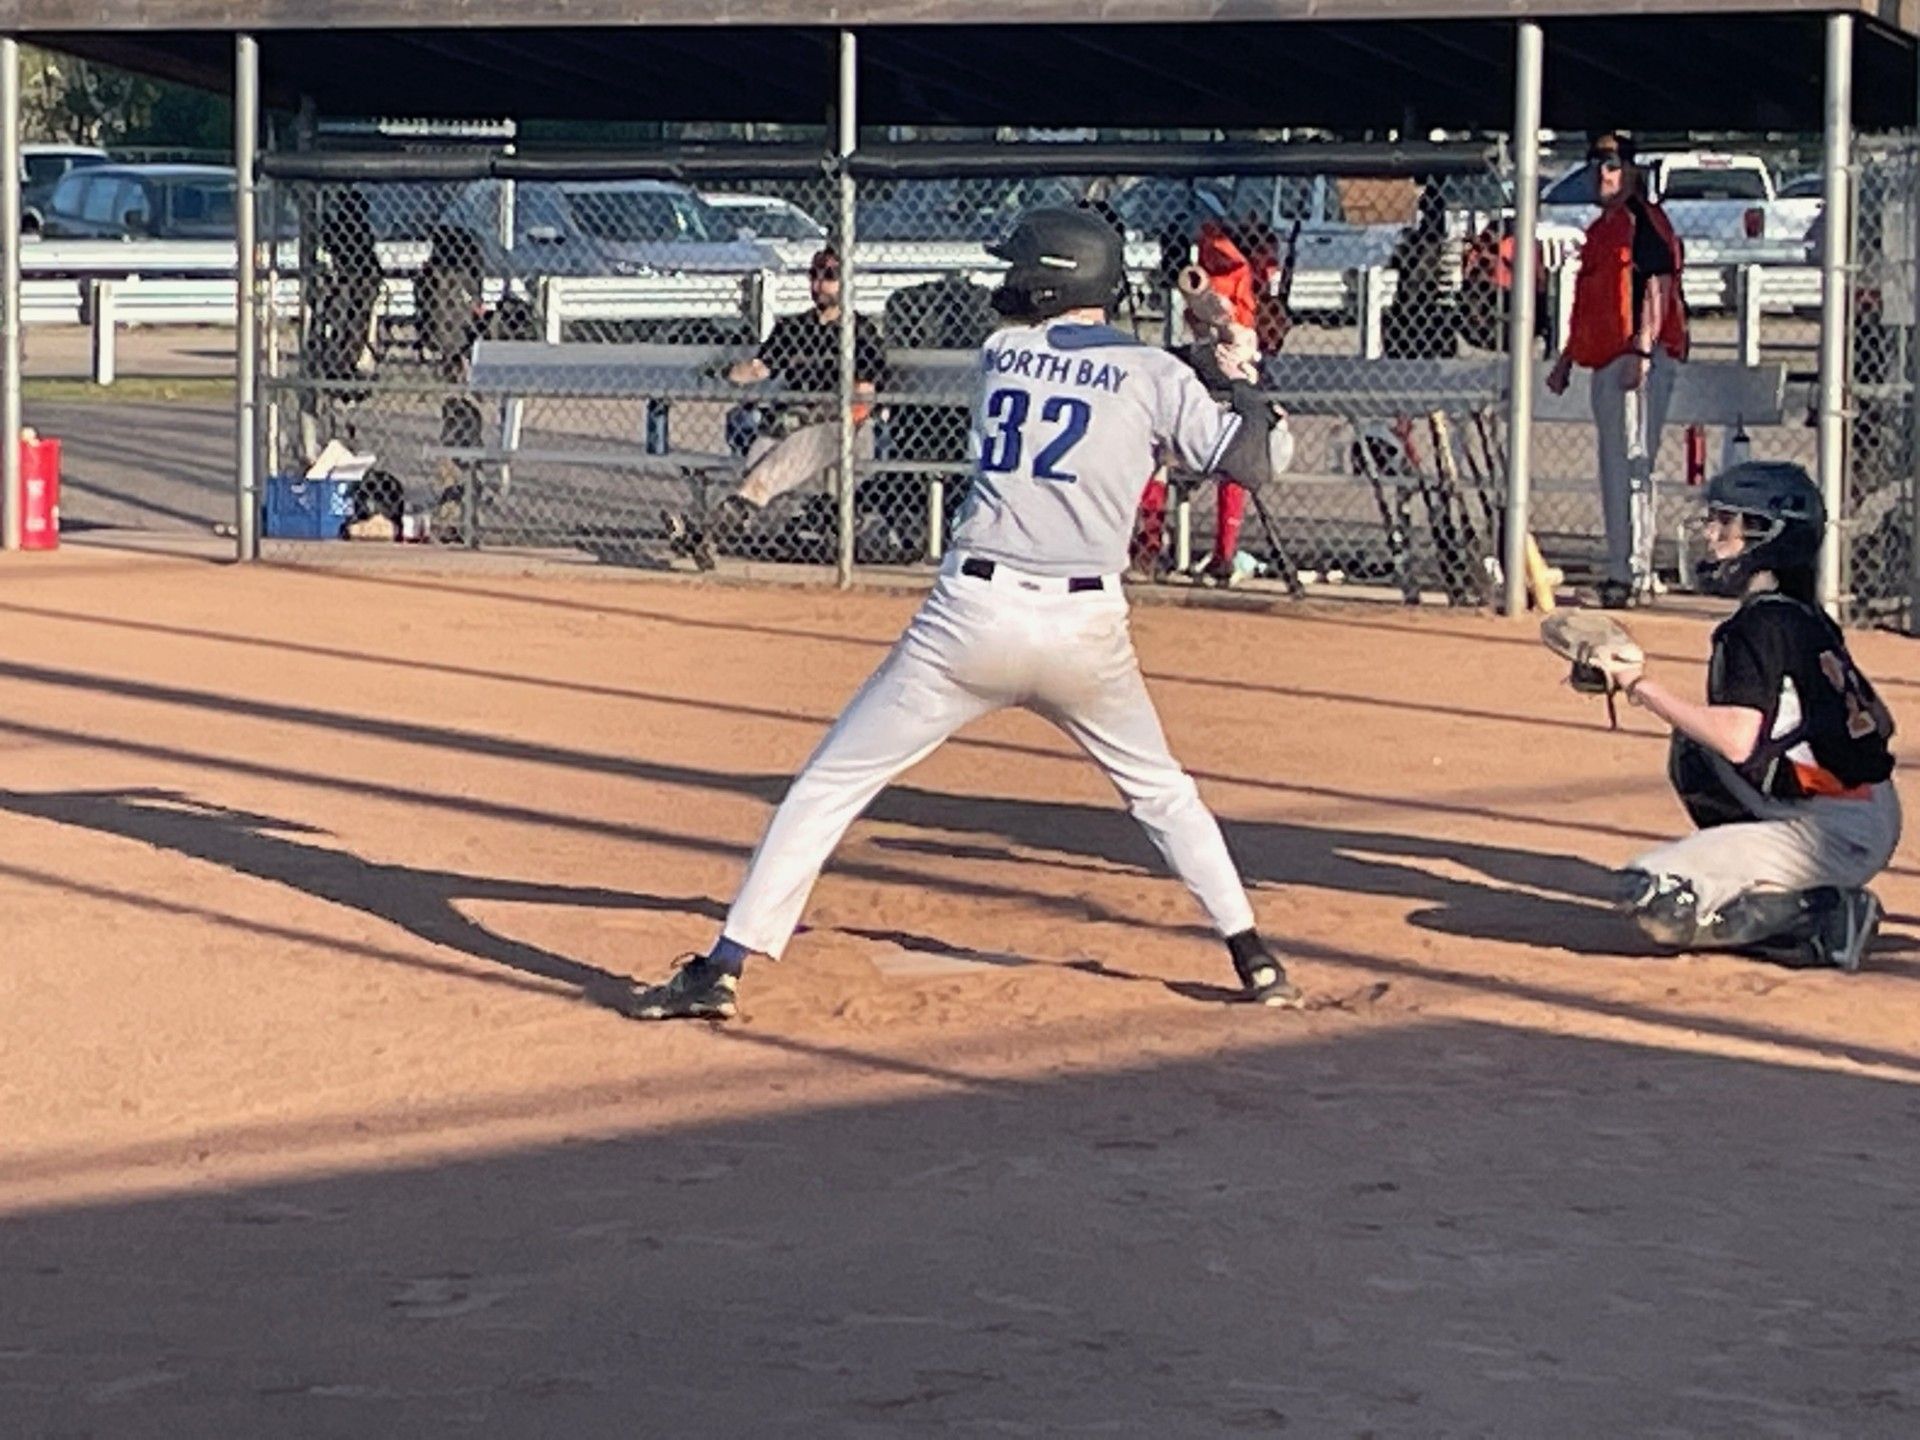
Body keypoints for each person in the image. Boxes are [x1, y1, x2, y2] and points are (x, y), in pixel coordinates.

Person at [623, 205, 1304, 1020]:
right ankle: (1252, 954)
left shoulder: (1003, 354)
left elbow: (1105, 370)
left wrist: (1203, 358)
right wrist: (1239, 370)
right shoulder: (1155, 377)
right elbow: (1255, 459)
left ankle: (725, 965)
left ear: (1049, 281)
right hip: (1086, 631)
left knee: (830, 784)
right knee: (1162, 794)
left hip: (968, 619)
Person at [1588, 461, 1899, 971]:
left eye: (1727, 523)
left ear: (1769, 536)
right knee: (1693, 749)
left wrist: (1637, 684)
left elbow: (1737, 740)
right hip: (1858, 809)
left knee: (1655, 896)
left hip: (1829, 829)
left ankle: (1825, 918)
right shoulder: (1802, 615)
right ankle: (1771, 877)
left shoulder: (1759, 624)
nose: (1712, 535)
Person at [672, 245, 888, 564]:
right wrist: (719, 371)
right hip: (793, 419)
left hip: (837, 426)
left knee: (768, 474)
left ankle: (705, 534)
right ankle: (708, 537)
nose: (818, 284)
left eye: (829, 276)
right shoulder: (795, 328)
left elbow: (864, 397)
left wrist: (841, 424)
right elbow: (758, 369)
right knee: (758, 458)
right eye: (814, 275)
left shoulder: (861, 333)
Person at [1546, 133, 1689, 609]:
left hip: (1634, 360)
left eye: (1611, 165)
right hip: (1604, 360)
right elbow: (1589, 304)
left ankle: (1632, 572)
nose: (1602, 174)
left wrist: (1643, 351)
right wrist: (1567, 359)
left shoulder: (1641, 221)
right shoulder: (1600, 228)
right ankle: (1620, 566)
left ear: (1629, 170)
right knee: (1614, 467)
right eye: (1596, 166)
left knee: (1632, 463)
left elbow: (1658, 284)